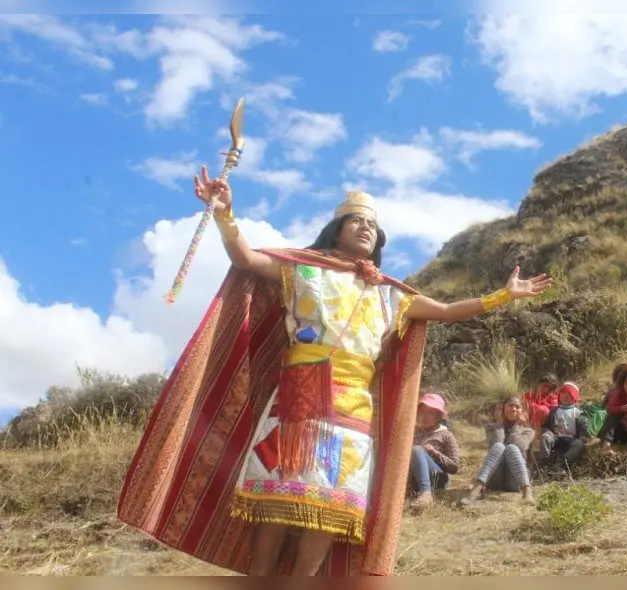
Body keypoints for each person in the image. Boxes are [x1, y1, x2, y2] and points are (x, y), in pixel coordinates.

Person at [117, 170, 551, 577]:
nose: (365, 229)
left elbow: (446, 311)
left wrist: (502, 296)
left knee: (333, 512)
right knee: (274, 506)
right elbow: (246, 258)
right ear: (337, 229)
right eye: (356, 221)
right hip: (296, 403)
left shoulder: (389, 295)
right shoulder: (301, 269)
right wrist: (226, 214)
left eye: (372, 226)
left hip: (353, 414)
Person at [460, 396, 537, 506]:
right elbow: (495, 442)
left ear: (522, 411)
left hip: (514, 480)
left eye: (517, 407)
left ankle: (527, 490)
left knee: (512, 448)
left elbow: (519, 445)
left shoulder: (528, 431)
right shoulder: (491, 427)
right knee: (498, 446)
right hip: (495, 478)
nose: (514, 409)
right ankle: (477, 488)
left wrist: (517, 425)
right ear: (503, 409)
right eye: (510, 405)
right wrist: (500, 422)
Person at [409, 392, 460, 510]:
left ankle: (426, 494)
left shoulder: (446, 435)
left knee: (417, 450)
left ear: (438, 416)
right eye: (422, 412)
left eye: (430, 413)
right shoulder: (412, 432)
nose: (424, 416)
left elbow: (454, 467)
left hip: (437, 479)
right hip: (414, 479)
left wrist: (433, 452)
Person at [538, 382, 589, 472]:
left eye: (569, 394)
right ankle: (545, 463)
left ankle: (563, 463)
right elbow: (546, 425)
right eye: (563, 393)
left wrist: (583, 435)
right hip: (556, 437)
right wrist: (546, 431)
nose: (565, 396)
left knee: (579, 444)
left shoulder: (578, 412)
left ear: (574, 397)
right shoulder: (554, 411)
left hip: (571, 439)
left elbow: (583, 425)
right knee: (545, 437)